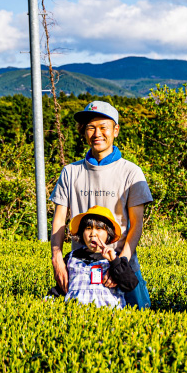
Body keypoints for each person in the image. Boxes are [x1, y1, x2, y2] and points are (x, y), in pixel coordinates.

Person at [50, 101, 154, 308]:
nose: (97, 133)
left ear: (115, 130)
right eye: (91, 127)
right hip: (80, 268)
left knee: (140, 319)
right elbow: (59, 220)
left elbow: (136, 225)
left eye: (103, 127)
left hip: (122, 264)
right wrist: (57, 259)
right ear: (84, 132)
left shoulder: (131, 172)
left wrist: (120, 264)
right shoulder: (70, 172)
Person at [62, 206, 139, 308]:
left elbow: (130, 284)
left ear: (109, 233)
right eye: (88, 228)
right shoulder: (71, 258)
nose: (93, 234)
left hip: (108, 317)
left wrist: (114, 261)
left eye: (99, 228)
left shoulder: (115, 259)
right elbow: (61, 287)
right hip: (76, 316)